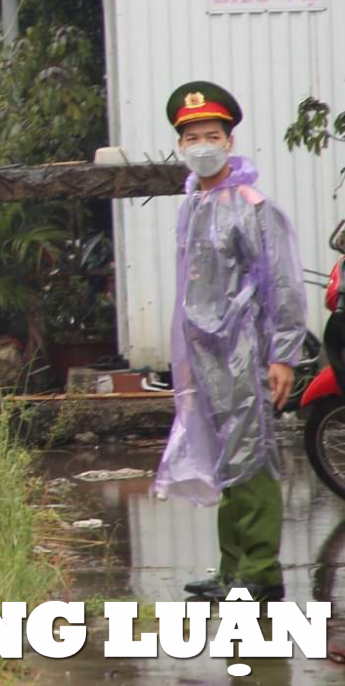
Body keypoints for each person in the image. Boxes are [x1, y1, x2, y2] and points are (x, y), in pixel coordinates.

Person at [160, 83, 304, 605]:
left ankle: (261, 572)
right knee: (227, 460)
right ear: (181, 145)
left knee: (252, 458)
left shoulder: (251, 206)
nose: (203, 144)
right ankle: (232, 569)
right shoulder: (194, 203)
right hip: (204, 357)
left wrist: (282, 354)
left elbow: (283, 283)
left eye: (212, 135)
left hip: (245, 351)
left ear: (230, 139)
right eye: (193, 136)